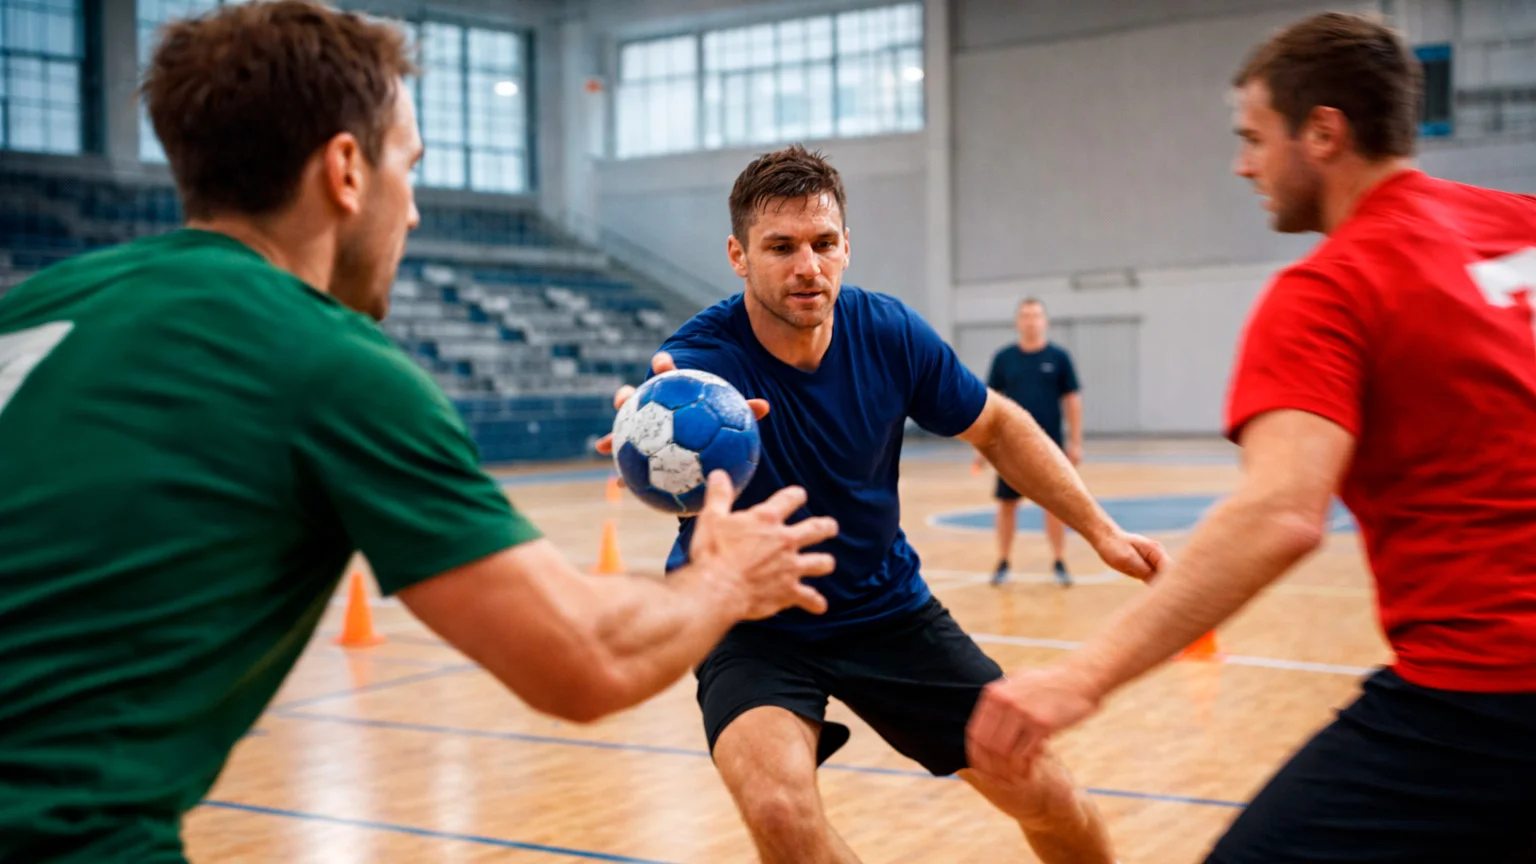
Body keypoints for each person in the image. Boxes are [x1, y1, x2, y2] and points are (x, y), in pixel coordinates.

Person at [0, 4, 839, 862]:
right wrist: (723, 578)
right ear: (346, 171)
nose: (414, 213)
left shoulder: (34, 306)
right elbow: (585, 659)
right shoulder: (322, 359)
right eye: (410, 167)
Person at [966, 12, 1536, 863]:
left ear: (1324, 132)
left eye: (1254, 138)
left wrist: (1080, 677)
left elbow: (1280, 512)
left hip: (1484, 700)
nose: (1243, 165)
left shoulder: (1329, 290)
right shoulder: (1522, 225)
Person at [597, 144, 1167, 864]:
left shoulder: (888, 333)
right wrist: (638, 421)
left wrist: (1101, 531)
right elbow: (657, 400)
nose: (808, 266)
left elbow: (996, 423)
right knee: (778, 810)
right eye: (781, 247)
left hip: (886, 610)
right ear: (738, 256)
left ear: (845, 246)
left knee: (1047, 791)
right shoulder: (704, 363)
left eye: (823, 243)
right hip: (749, 621)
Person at [975, 298, 1082, 586]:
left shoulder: (1059, 358)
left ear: (1044, 321)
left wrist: (1076, 441)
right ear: (1017, 322)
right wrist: (982, 447)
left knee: (1056, 505)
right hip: (1009, 446)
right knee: (1007, 504)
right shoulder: (1004, 358)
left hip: (1051, 446)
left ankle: (1059, 560)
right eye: (1025, 316)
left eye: (1036, 316)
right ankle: (1003, 561)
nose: (1031, 321)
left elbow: (1072, 400)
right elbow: (988, 401)